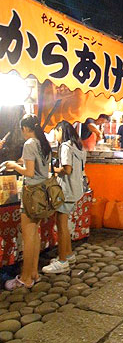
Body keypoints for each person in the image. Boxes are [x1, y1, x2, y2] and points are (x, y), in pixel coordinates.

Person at [5, 115, 52, 289]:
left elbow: (30, 172)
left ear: (25, 128)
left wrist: (14, 165)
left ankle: (25, 278)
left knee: (28, 236)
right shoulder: (43, 142)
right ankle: (34, 273)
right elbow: (40, 169)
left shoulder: (29, 143)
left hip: (31, 193)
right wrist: (23, 163)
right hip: (42, 192)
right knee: (35, 234)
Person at [42, 120, 86, 274]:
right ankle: (68, 254)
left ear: (61, 130)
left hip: (66, 190)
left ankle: (62, 261)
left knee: (61, 225)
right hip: (75, 189)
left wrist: (53, 169)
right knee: (64, 224)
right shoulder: (78, 147)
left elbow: (67, 169)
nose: (55, 134)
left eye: (56, 131)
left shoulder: (66, 147)